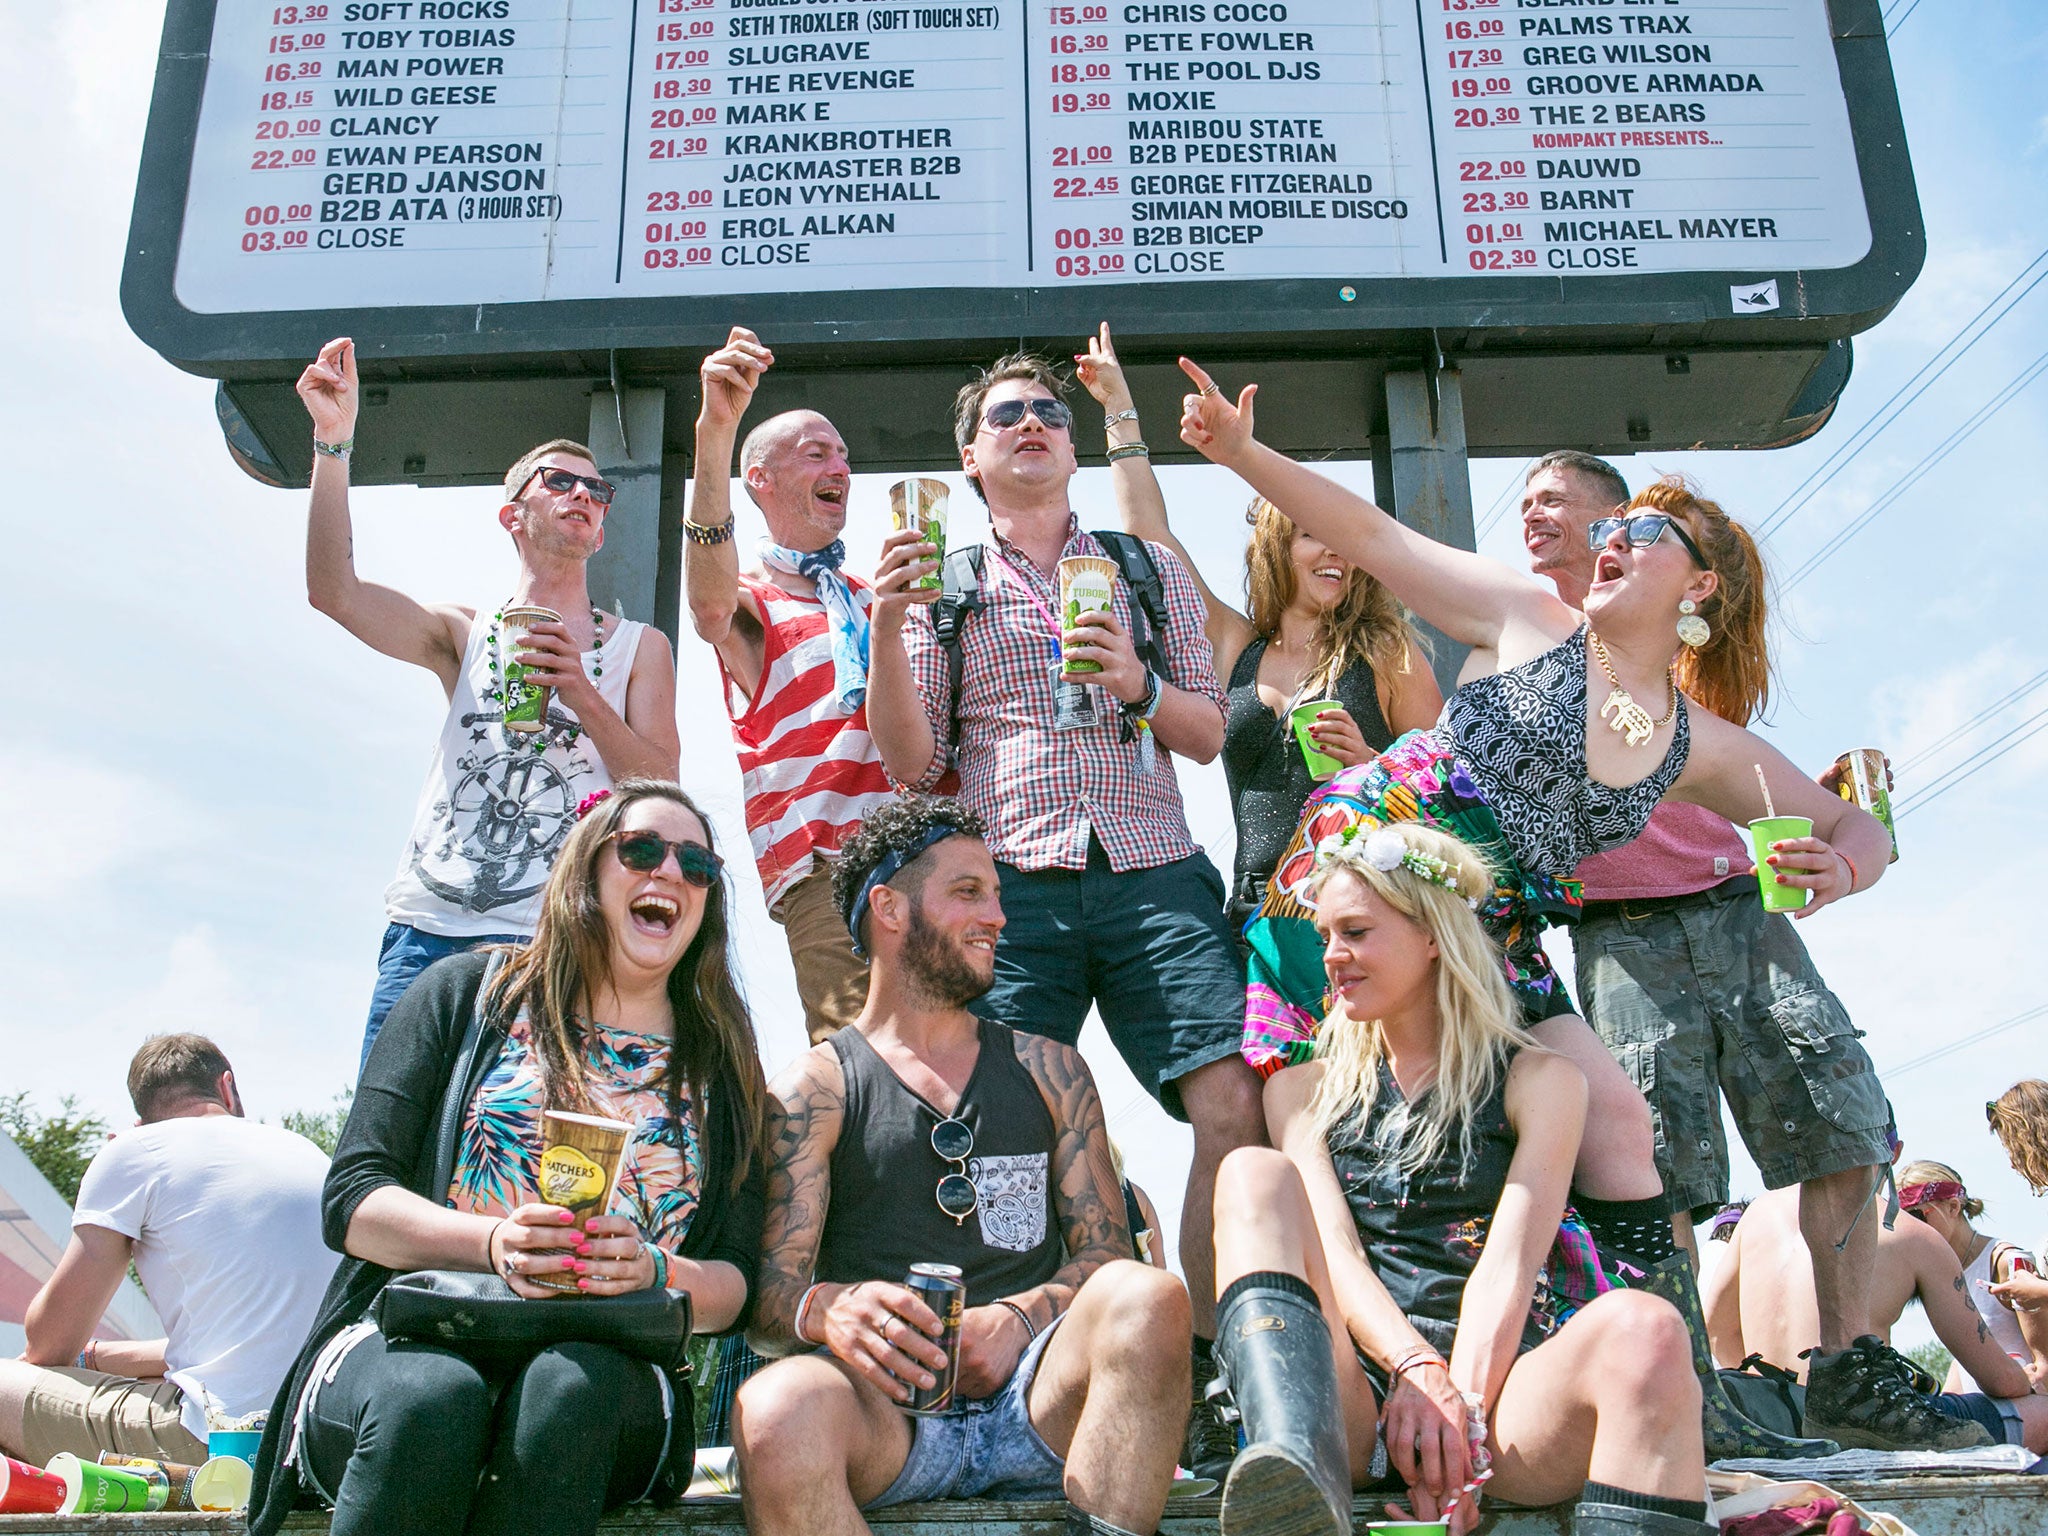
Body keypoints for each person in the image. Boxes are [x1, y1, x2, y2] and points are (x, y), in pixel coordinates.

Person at [1175, 363, 1892, 1284]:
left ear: (1700, 589)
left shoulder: (1696, 744)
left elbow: (1850, 824)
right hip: (1360, 873)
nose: (1612, 540)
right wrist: (1241, 452)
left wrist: (1845, 871)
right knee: (1339, 1130)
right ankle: (1315, 1364)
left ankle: (1669, 1384)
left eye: (1642, 530)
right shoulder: (1528, 617)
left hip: (1490, 927)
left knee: (1617, 1123)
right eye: (1613, 529)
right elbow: (1369, 534)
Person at [864, 347, 1266, 1466]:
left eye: (1048, 410)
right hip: (1011, 881)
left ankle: (1229, 1365)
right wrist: (890, 622)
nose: (1033, 423)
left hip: (1149, 864)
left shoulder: (1144, 566)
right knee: (1011, 1130)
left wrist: (1136, 684)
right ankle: (1032, 1363)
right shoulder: (939, 577)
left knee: (1230, 1098)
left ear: (1072, 442)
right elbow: (910, 763)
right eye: (1007, 415)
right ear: (971, 453)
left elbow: (1209, 732)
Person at [245, 779, 767, 1536]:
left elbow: (736, 1285)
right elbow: (353, 1199)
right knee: (430, 1400)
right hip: (414, 1333)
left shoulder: (723, 1061)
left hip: (607, 1369)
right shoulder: (465, 994)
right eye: (643, 850)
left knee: (565, 1393)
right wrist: (493, 1244)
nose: (669, 874)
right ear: (586, 869)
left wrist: (654, 1269)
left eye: (697, 865)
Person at [1517, 452, 1905, 1447]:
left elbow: (1786, 798)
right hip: (1615, 935)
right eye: (1525, 503)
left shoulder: (1675, 644)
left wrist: (1838, 851)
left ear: (1618, 524)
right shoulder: (1522, 633)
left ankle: (1849, 1366)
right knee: (1656, 1160)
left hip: (1741, 910)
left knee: (1843, 1118)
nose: (1533, 515)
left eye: (1555, 500)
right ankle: (1686, 1379)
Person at [1207, 823, 1712, 1536]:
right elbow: (1339, 1256)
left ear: (1434, 935)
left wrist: (1460, 1422)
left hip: (1499, 1397)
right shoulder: (1300, 1089)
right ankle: (1287, 1482)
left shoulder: (1540, 1079)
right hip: (1352, 1397)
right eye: (1325, 936)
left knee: (1649, 1329)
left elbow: (1508, 1266)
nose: (1332, 957)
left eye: (1355, 931)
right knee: (1250, 1174)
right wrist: (1413, 1366)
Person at [733, 795, 1192, 1536]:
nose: (999, 918)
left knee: (1149, 1297)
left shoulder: (1052, 1069)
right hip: (888, 1420)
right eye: (968, 892)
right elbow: (768, 1306)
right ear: (889, 907)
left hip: (1039, 1397)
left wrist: (1017, 1318)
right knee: (777, 1406)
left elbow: (1106, 1259)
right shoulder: (812, 1088)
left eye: (998, 895)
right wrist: (833, 1310)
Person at [296, 338, 682, 1066]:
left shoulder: (639, 647)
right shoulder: (461, 633)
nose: (582, 497)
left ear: (601, 529)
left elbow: (660, 788)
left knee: (522, 1163)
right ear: (512, 515)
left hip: (561, 938)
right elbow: (333, 593)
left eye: (597, 493)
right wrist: (332, 443)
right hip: (430, 930)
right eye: (560, 482)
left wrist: (580, 690)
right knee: (391, 1147)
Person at [1072, 325, 1441, 941]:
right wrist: (1119, 411)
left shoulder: (1385, 651)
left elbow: (1447, 789)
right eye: (1310, 534)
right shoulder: (1236, 648)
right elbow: (1150, 536)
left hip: (1364, 910)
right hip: (1255, 917)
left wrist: (1373, 764)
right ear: (1274, 546)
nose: (1335, 553)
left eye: (1343, 538)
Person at [684, 325, 895, 1043]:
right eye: (817, 453)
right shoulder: (752, 601)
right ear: (761, 482)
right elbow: (710, 607)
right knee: (865, 1071)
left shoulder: (882, 597)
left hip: (933, 865)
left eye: (842, 453)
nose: (840, 464)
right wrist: (715, 435)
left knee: (987, 1065)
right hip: (831, 874)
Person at [0, 1036, 336, 1468]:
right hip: (321, 1436)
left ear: (141, 1117)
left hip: (226, 1443)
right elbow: (252, 1339)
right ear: (227, 1088)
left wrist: (116, 1176)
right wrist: (97, 1357)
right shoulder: (307, 1151)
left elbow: (47, 1347)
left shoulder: (135, 1153)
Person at [1704, 1172, 2045, 1452]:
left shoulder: (1757, 1216)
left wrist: (1782, 1392)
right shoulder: (1910, 1233)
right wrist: (2027, 1378)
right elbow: (2000, 1381)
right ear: (1892, 1151)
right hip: (1868, 1417)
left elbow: (1716, 1329)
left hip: (1778, 1414)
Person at [1895, 1160, 2047, 1393]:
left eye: (1916, 1216)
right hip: (1988, 1418)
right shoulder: (1937, 1275)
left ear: (1953, 1207)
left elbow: (2043, 1368)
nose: (1911, 1229)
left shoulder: (2006, 1262)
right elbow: (1965, 1358)